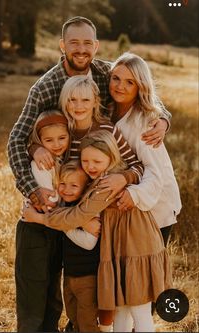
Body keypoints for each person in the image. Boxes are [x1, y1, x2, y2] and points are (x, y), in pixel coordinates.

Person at [8, 16, 171, 214]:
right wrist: (32, 188)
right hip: (64, 180)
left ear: (95, 46)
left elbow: (138, 88)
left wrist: (163, 118)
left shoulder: (106, 72)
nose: (81, 50)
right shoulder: (44, 88)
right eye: (73, 43)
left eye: (87, 43)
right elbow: (17, 138)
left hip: (101, 179)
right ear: (62, 45)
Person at [23, 130, 172, 332]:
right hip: (119, 247)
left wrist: (40, 218)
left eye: (96, 161)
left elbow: (78, 215)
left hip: (136, 247)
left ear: (111, 158)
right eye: (85, 161)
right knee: (121, 309)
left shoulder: (107, 184)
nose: (90, 166)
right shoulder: (102, 178)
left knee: (139, 310)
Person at [102, 52, 181, 331]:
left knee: (143, 288)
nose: (120, 86)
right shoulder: (107, 111)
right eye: (116, 78)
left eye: (129, 82)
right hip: (129, 212)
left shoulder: (146, 120)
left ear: (141, 87)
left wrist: (133, 194)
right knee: (128, 286)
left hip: (155, 208)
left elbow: (155, 174)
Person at [31, 75, 144, 196]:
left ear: (95, 102)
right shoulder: (63, 130)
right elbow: (38, 139)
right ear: (65, 101)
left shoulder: (108, 131)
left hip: (98, 199)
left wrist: (124, 177)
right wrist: (34, 148)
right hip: (67, 195)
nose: (79, 106)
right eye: (72, 100)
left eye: (86, 100)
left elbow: (137, 166)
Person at [15, 110, 69, 332]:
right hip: (35, 230)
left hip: (54, 231)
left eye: (62, 138)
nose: (56, 144)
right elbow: (48, 206)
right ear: (39, 140)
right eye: (48, 140)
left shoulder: (61, 160)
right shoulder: (41, 164)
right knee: (33, 293)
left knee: (52, 291)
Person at [57, 160, 101, 332]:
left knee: (87, 321)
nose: (66, 189)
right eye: (62, 184)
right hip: (69, 274)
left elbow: (89, 244)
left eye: (73, 185)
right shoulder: (64, 204)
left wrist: (64, 226)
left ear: (85, 187)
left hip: (88, 277)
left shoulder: (88, 209)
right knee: (73, 316)